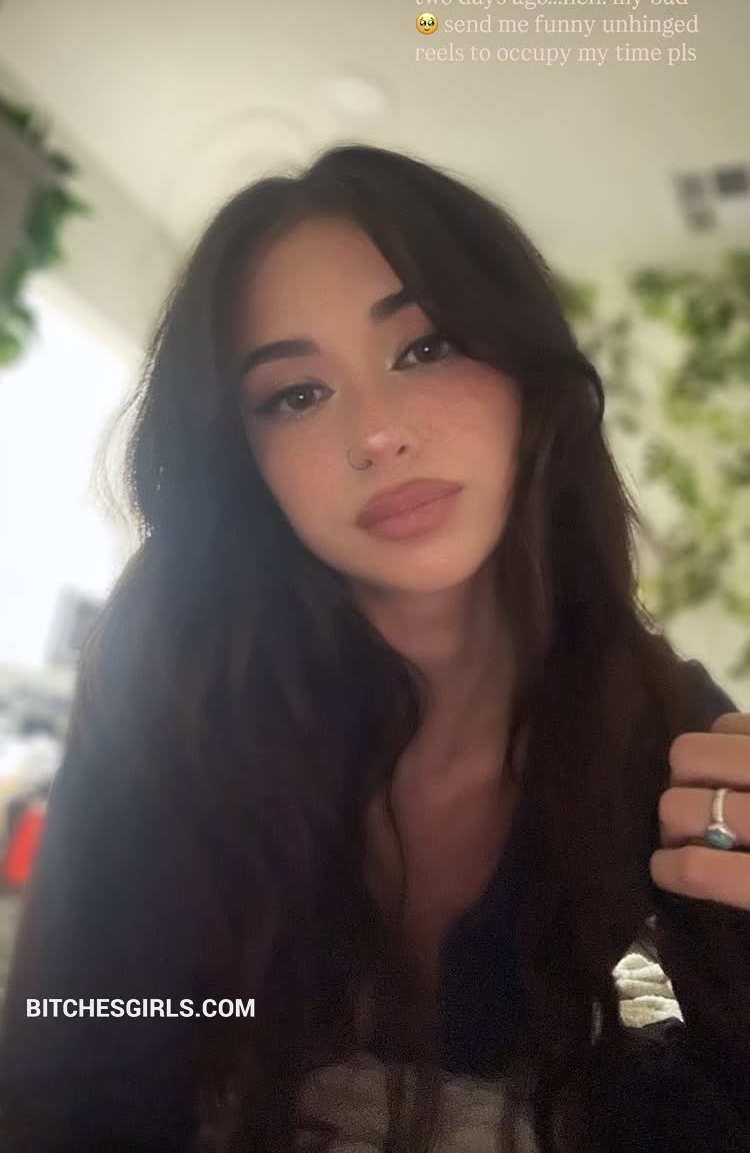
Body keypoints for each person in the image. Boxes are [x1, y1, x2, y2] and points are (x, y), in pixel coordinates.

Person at [0, 143, 748, 1153]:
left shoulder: (670, 735)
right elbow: (70, 1075)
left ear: (528, 375)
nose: (377, 434)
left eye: (426, 347)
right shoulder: (177, 674)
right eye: (295, 395)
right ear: (246, 458)